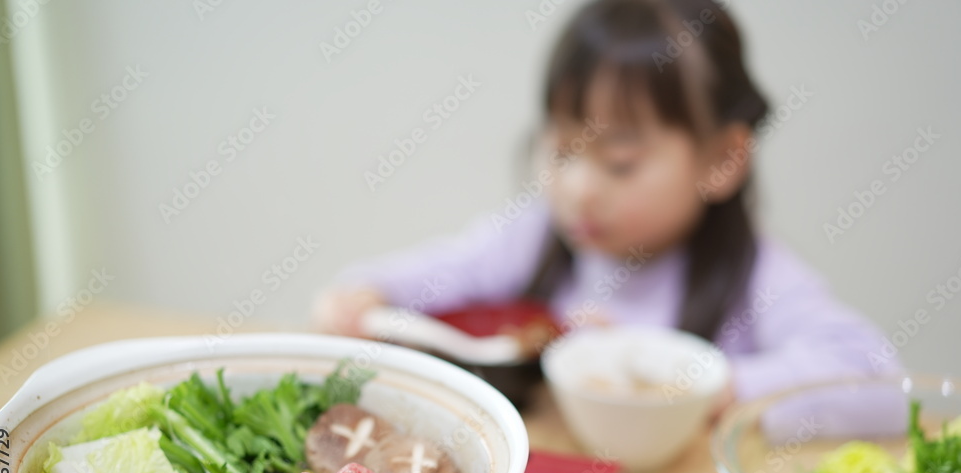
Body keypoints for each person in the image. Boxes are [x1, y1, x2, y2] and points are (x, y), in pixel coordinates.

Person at [313, 0, 900, 405]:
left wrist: (705, 384)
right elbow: (441, 272)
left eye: (620, 162)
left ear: (722, 159)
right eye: (562, 151)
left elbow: (872, 375)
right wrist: (367, 293)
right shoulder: (535, 233)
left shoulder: (756, 274)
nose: (577, 189)